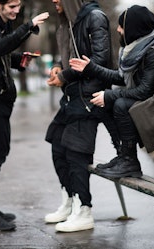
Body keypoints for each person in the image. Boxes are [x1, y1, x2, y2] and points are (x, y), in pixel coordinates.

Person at [69, 5, 154, 178]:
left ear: (133, 28)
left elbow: (142, 92)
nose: (118, 30)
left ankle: (129, 162)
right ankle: (124, 157)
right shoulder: (138, 50)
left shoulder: (153, 52)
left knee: (120, 104)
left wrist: (109, 95)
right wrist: (91, 68)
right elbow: (122, 78)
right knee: (112, 104)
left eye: (122, 26)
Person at [0, 0, 49, 231]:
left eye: (18, 6)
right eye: (12, 6)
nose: (16, 10)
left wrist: (18, 60)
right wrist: (28, 26)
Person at [44, 0, 120, 232]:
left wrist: (65, 76)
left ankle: (84, 209)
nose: (54, 0)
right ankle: (70, 200)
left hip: (90, 98)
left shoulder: (94, 18)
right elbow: (69, 56)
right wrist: (59, 66)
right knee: (57, 144)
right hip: (72, 97)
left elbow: (99, 60)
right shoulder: (67, 22)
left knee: (76, 152)